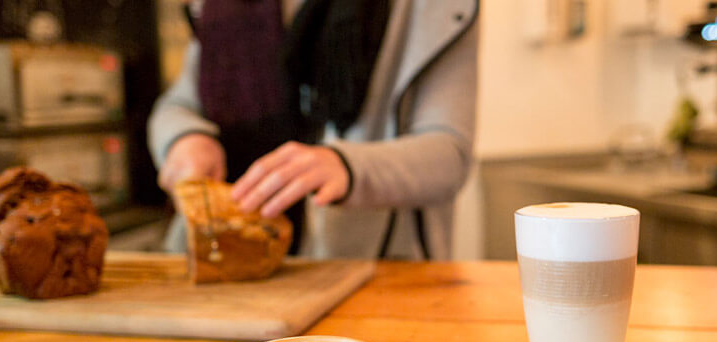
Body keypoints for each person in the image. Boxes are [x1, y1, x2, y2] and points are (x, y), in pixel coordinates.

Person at [148, 0, 478, 260]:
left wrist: (346, 165)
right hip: (224, 265)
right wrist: (185, 138)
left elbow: (450, 154)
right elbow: (177, 105)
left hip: (368, 270)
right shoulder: (219, 8)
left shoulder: (434, 7)